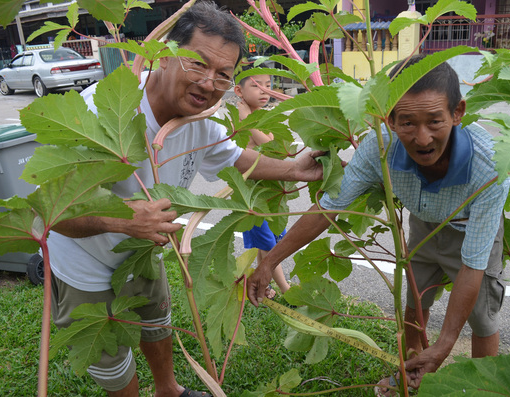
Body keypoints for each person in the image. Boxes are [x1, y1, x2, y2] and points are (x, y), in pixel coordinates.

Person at [47, 2, 324, 396]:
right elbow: (55, 214)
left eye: (223, 75)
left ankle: (169, 390)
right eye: (197, 64)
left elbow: (236, 159)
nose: (209, 83)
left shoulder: (203, 122)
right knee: (110, 360)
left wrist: (296, 168)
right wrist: (123, 221)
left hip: (144, 254)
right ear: (164, 57)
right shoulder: (96, 111)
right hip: (86, 264)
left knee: (157, 326)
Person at [247, 55, 510, 394]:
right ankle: (411, 377)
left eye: (434, 121)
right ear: (388, 117)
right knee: (416, 305)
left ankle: (487, 389)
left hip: (473, 227)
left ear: (457, 112)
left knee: (482, 319)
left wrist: (445, 344)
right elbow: (327, 208)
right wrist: (270, 260)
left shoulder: (489, 167)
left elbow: (473, 265)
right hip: (424, 224)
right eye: (406, 123)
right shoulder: (379, 147)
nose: (422, 138)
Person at [234, 68, 290, 296]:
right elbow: (261, 144)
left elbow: (271, 145)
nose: (264, 90)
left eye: (268, 84)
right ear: (239, 90)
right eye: (256, 85)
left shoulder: (265, 116)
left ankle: (262, 283)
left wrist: (250, 120)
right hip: (250, 194)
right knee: (268, 244)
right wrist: (246, 119)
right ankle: (286, 289)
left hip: (269, 190)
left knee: (270, 240)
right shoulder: (237, 116)